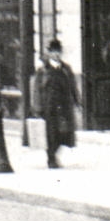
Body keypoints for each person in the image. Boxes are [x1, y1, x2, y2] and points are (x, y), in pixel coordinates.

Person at [31, 39, 80, 169]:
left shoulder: (65, 68)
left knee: (64, 132)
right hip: (49, 106)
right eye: (53, 52)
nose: (56, 54)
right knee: (51, 133)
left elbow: (73, 86)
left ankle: (54, 154)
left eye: (58, 51)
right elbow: (36, 89)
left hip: (64, 106)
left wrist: (77, 101)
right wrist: (37, 107)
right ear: (49, 53)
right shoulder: (43, 70)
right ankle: (51, 158)